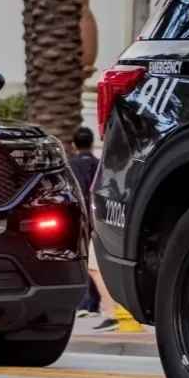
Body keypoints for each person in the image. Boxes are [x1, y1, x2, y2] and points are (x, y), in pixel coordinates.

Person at [69, 127, 114, 328]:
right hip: (98, 218)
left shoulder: (71, 165)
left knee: (85, 262)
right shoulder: (99, 164)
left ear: (74, 144)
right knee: (95, 263)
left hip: (80, 219)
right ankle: (94, 304)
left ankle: (90, 305)